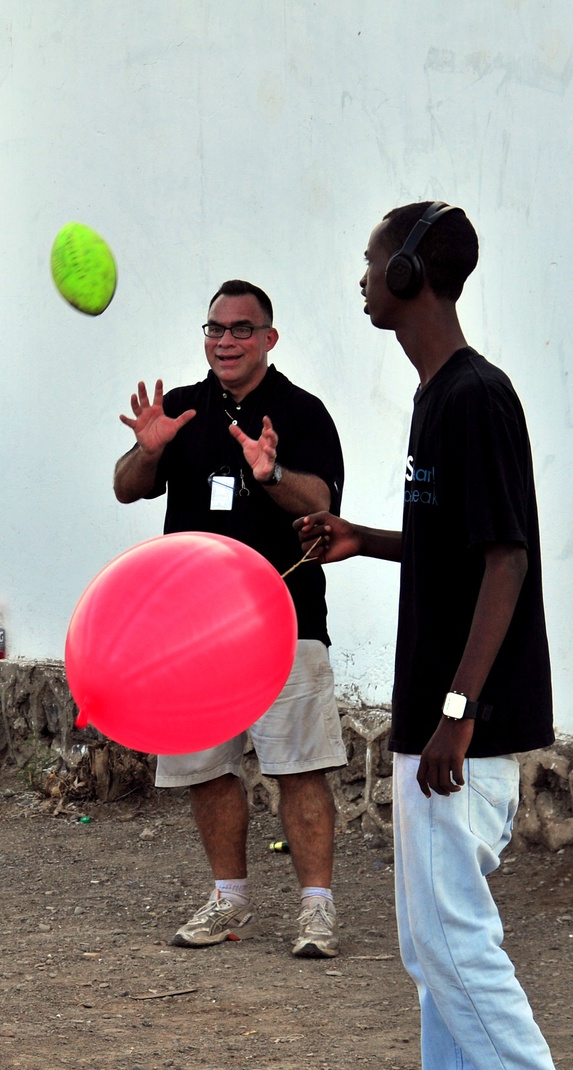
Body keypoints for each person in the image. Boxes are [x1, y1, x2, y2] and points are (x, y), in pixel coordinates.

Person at [297, 204, 573, 1070]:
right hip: (439, 716)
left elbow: (507, 555)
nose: (359, 275)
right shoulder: (437, 398)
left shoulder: (475, 396)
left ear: (409, 271)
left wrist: (459, 711)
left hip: (460, 724)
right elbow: (458, 541)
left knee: (451, 940)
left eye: (370, 258)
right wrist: (365, 539)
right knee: (429, 945)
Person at [113, 279, 347, 958]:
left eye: (242, 329)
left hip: (286, 617)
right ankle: (228, 897)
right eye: (215, 329)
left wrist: (271, 474)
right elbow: (126, 484)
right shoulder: (183, 408)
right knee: (205, 768)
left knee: (299, 766)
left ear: (269, 338)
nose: (226, 340)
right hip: (191, 631)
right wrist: (151, 447)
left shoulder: (303, 413)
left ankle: (317, 911)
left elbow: (323, 501)